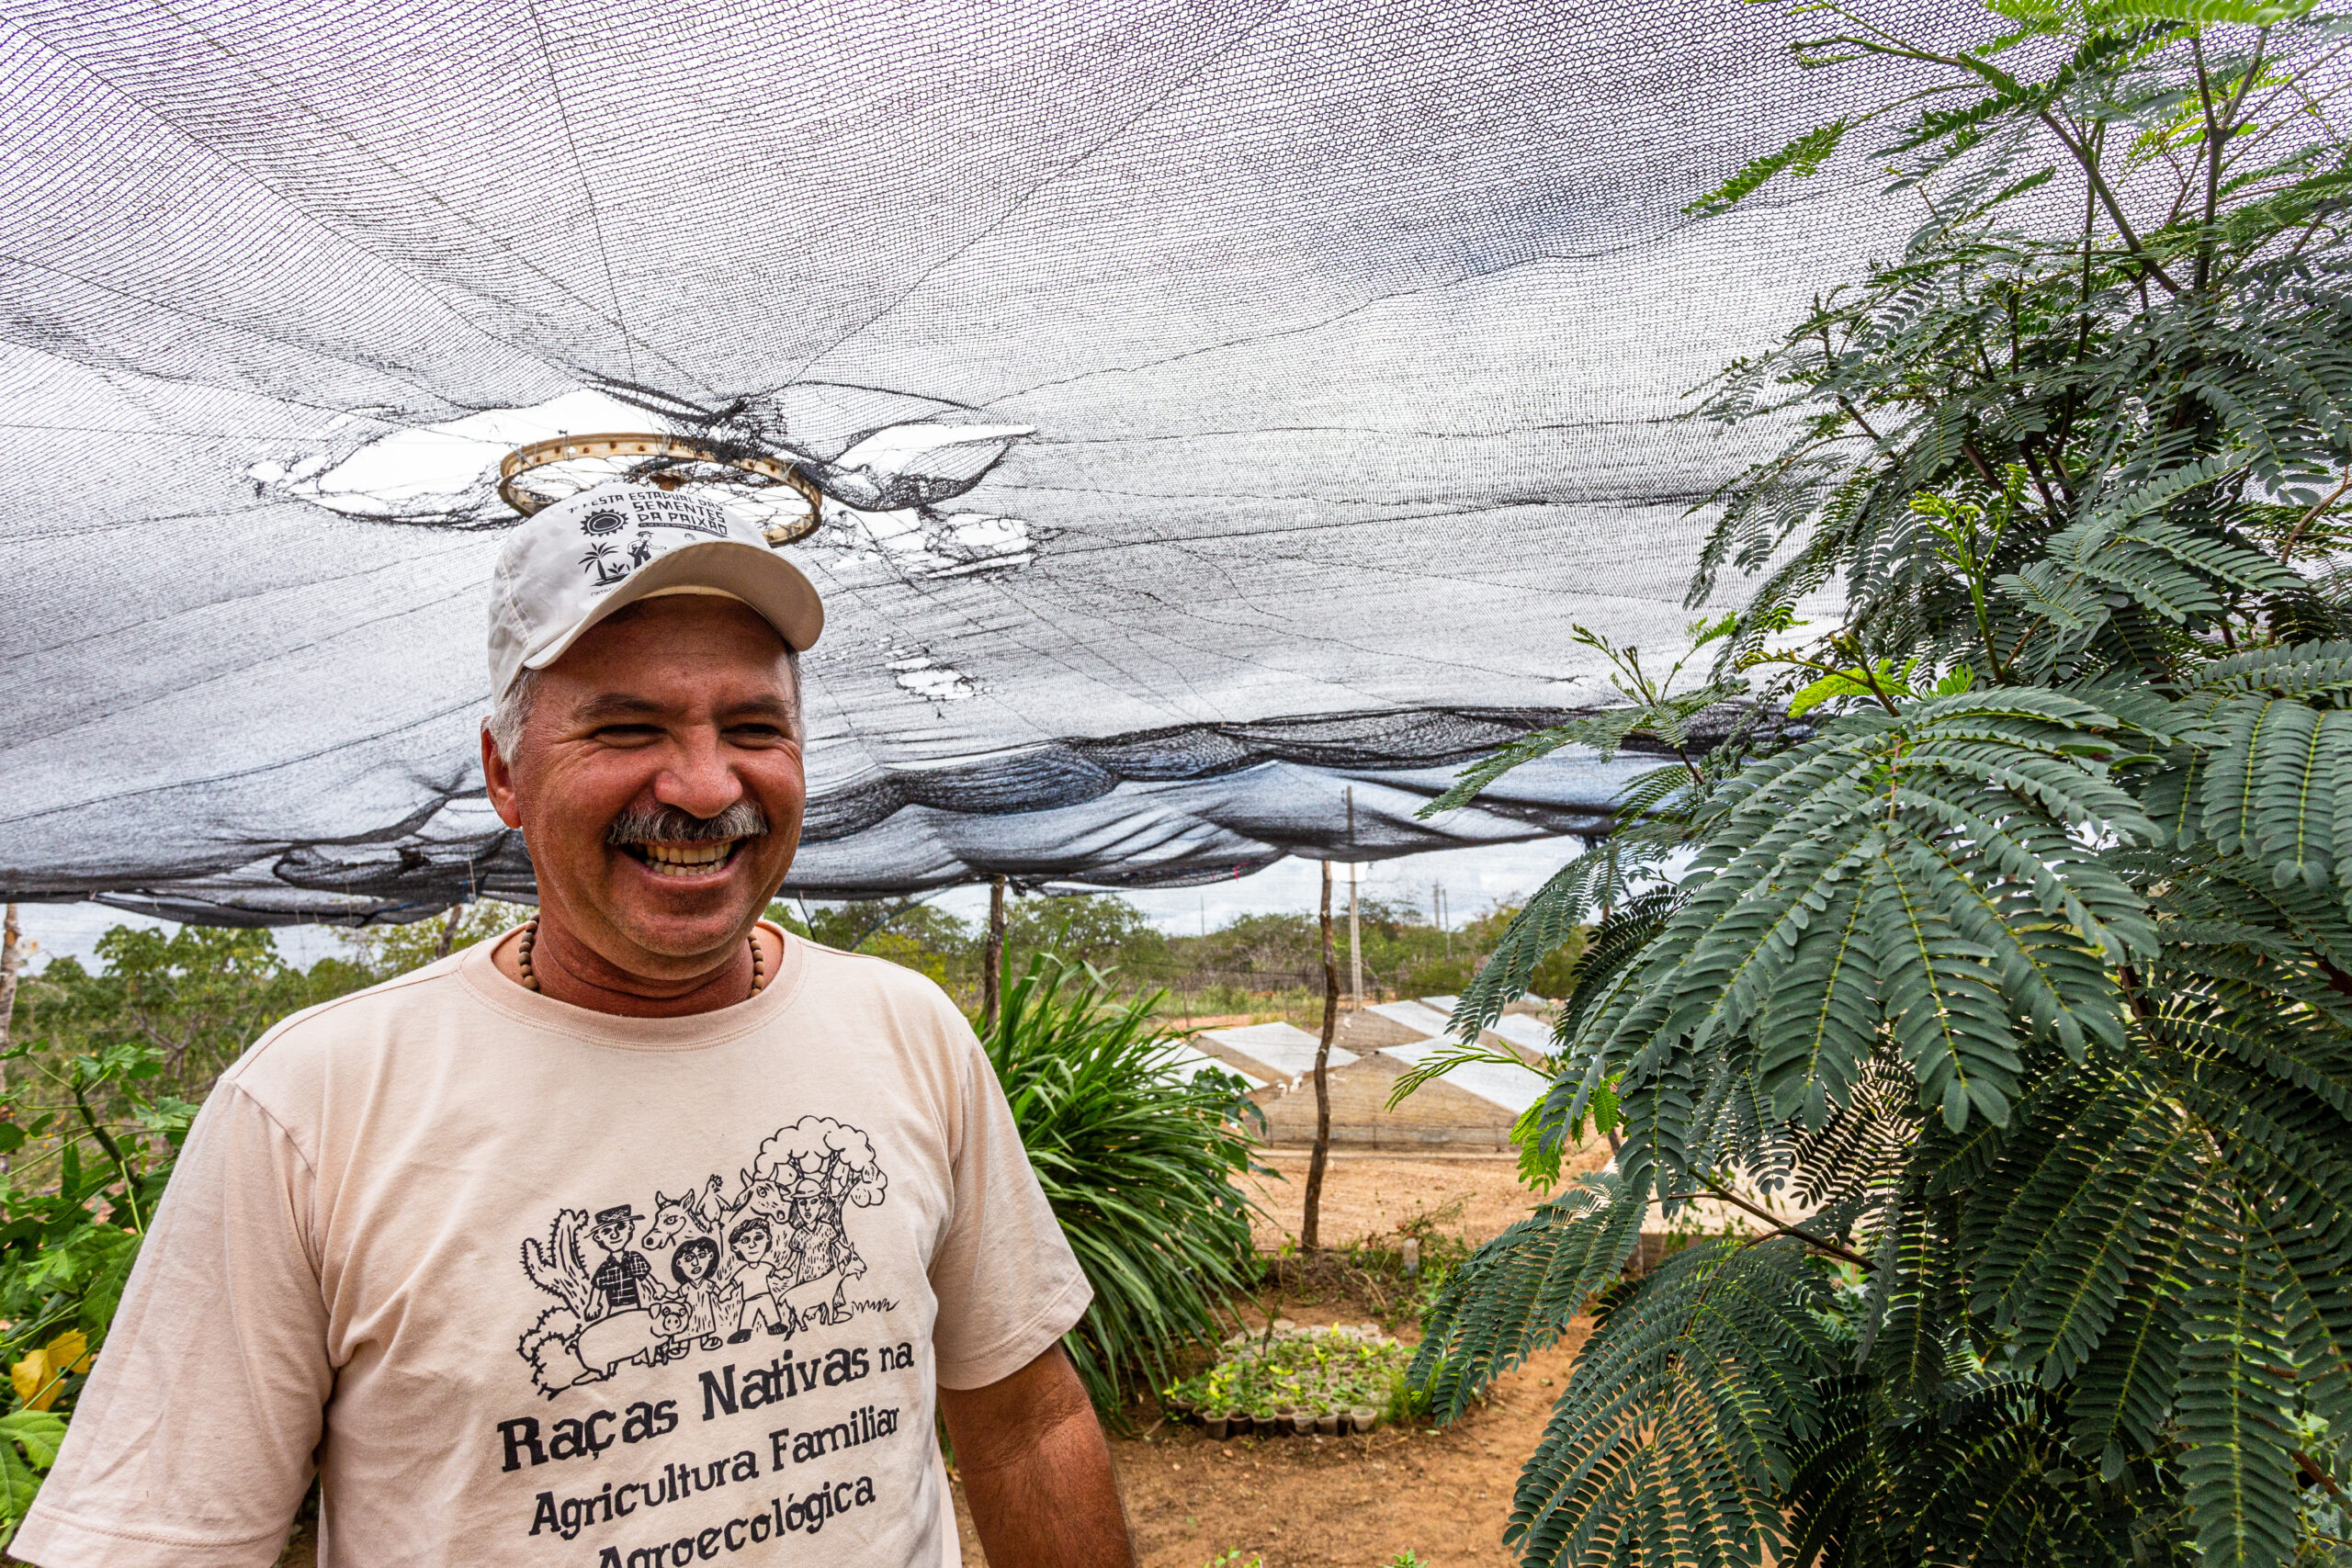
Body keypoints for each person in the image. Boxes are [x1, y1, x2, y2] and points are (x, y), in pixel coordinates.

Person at [15, 483, 1133, 1567]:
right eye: (625, 726)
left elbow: (1026, 1422)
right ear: (505, 772)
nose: (702, 785)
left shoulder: (906, 1030)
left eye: (752, 725)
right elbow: (162, 1539)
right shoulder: (314, 1105)